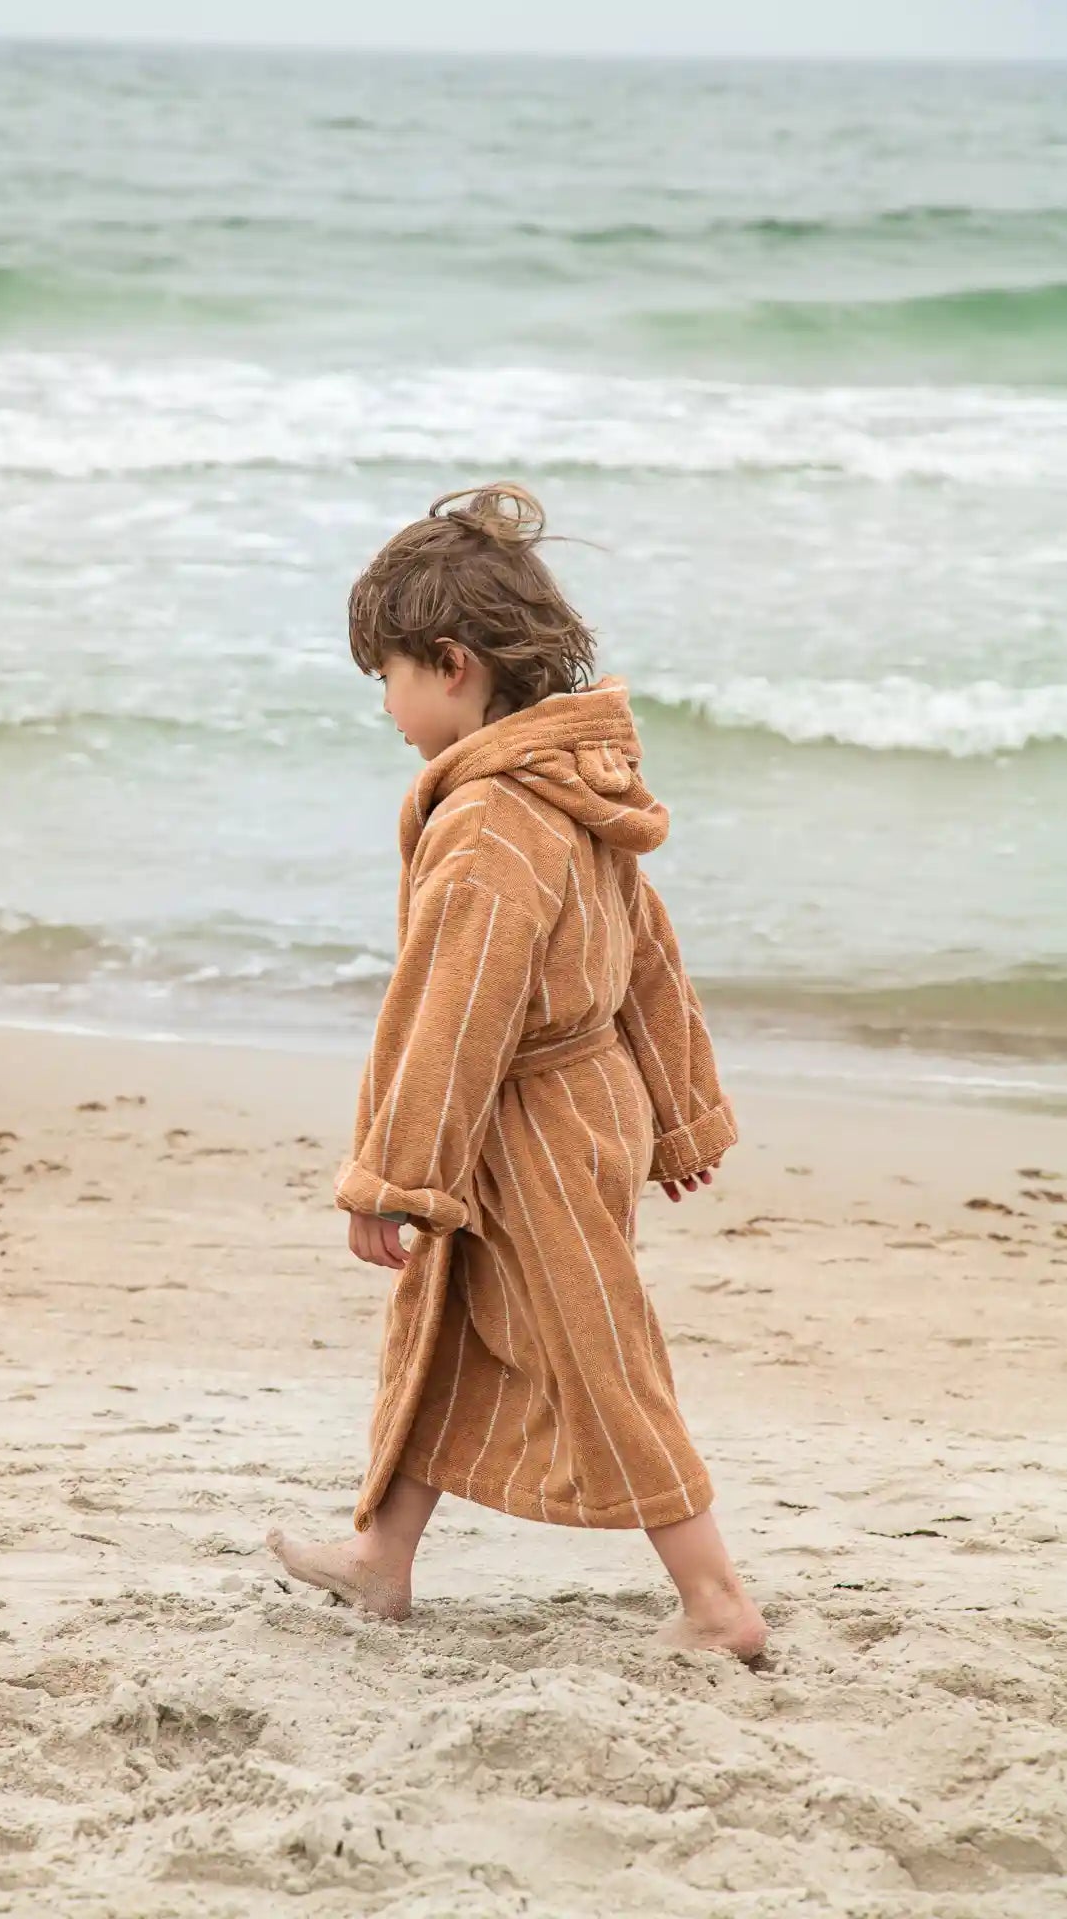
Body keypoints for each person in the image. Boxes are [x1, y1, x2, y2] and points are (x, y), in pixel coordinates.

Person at [268, 483, 766, 1660]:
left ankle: (715, 1605)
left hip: (532, 1118)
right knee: (444, 1324)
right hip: (585, 1100)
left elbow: (453, 1018)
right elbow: (648, 953)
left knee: (598, 1351)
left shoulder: (492, 818)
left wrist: (391, 1179)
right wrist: (677, 1113)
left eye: (388, 677)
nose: (385, 706)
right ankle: (383, 1558)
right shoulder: (573, 781)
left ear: (453, 666)